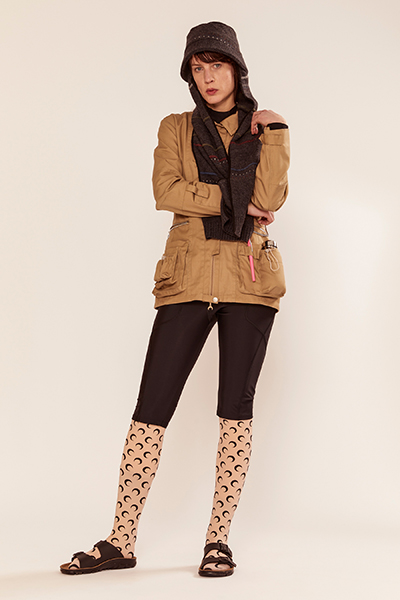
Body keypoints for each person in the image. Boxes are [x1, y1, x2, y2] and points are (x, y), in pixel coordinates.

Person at [60, 20, 290, 578]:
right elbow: (167, 191)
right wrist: (237, 200)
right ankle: (121, 540)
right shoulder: (176, 127)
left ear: (237, 69)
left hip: (249, 281)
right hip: (186, 278)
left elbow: (270, 197)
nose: (208, 77)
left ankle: (218, 541)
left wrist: (278, 132)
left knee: (235, 412)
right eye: (198, 68)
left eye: (217, 65)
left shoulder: (263, 130)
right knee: (151, 410)